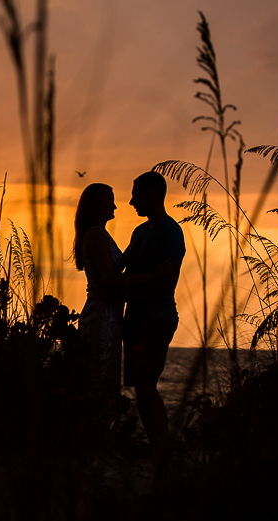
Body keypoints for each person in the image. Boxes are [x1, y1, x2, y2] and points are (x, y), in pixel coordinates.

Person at [73, 183, 172, 392]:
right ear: (97, 204)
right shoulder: (96, 235)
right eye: (110, 201)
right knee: (100, 378)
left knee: (107, 375)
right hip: (101, 313)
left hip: (111, 312)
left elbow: (122, 261)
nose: (115, 207)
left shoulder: (102, 234)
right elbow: (111, 277)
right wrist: (153, 276)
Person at [121, 171, 186, 454]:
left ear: (152, 194)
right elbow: (122, 264)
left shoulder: (170, 232)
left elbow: (166, 283)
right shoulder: (139, 232)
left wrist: (130, 293)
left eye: (136, 194)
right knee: (140, 385)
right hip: (135, 317)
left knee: (147, 383)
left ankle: (163, 446)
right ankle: (157, 444)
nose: (131, 201)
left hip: (156, 318)